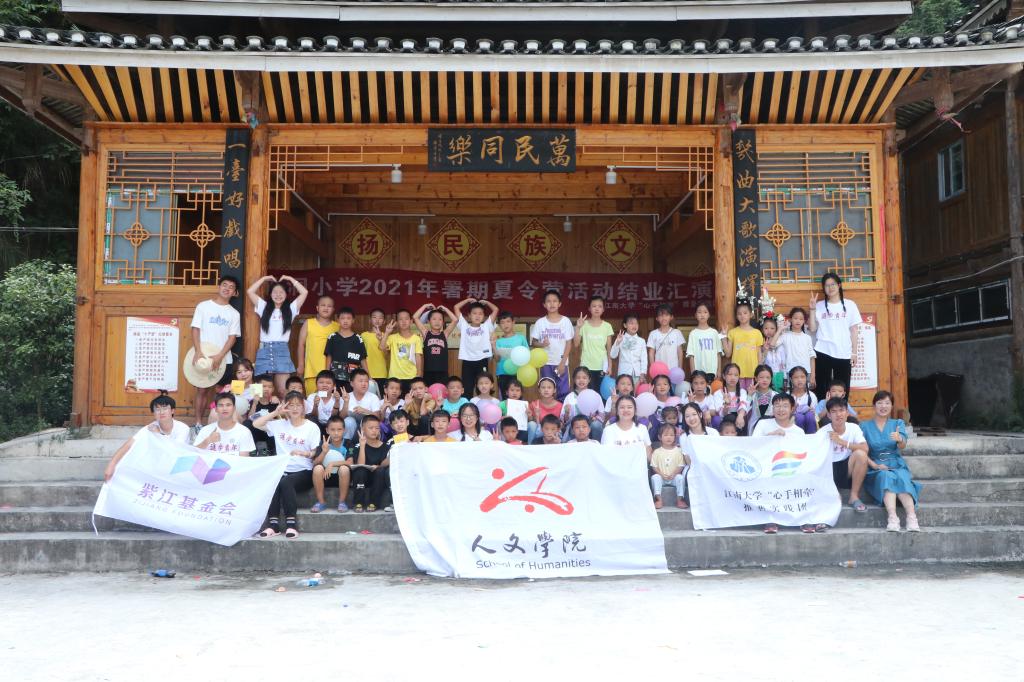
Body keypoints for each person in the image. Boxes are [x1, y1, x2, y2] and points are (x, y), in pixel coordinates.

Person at [253, 390, 322, 537]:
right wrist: (275, 412)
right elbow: (256, 423)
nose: (295, 408)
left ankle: (291, 525)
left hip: (303, 470)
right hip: (282, 469)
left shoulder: (311, 427)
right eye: (291, 405)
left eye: (298, 405)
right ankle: (273, 525)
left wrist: (304, 453)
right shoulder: (279, 425)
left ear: (304, 407)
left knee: (286, 482)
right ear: (286, 407)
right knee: (274, 480)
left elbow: (314, 452)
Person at [750, 393, 811, 534]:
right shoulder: (763, 424)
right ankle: (770, 519)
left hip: (790, 468)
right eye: (777, 405)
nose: (780, 409)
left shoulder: (799, 432)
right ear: (772, 408)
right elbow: (752, 446)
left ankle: (803, 519)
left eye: (785, 406)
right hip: (766, 468)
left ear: (792, 408)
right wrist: (770, 436)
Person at [863, 390, 921, 532]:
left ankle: (912, 517)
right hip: (877, 466)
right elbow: (861, 451)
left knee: (901, 477)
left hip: (896, 464)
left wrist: (899, 438)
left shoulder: (897, 423)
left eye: (887, 403)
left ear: (892, 406)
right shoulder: (864, 426)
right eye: (880, 403)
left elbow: (902, 445)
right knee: (886, 476)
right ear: (874, 405)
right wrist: (875, 465)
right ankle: (893, 517)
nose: (883, 406)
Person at [190, 275, 241, 428]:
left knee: (223, 394)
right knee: (202, 391)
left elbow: (232, 338)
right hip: (204, 357)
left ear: (235, 293)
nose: (227, 288)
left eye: (231, 287)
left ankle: (222, 426)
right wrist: (198, 351)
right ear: (219, 287)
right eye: (224, 285)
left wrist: (220, 356)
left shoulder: (234, 313)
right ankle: (198, 424)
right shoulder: (203, 306)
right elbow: (195, 329)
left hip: (224, 360)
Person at [247, 274, 308, 397]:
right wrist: (264, 279)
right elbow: (250, 291)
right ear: (270, 294)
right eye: (275, 292)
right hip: (264, 350)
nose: (278, 295)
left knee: (283, 391)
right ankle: (256, 409)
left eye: (281, 292)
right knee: (258, 391)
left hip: (282, 351)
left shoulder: (290, 309)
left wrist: (290, 279)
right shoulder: (263, 307)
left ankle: (284, 410)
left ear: (286, 294)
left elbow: (304, 292)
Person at [104, 394, 190, 481]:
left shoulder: (183, 428)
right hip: (158, 467)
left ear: (172, 411)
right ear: (154, 414)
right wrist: (111, 465)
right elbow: (129, 445)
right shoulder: (151, 427)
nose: (161, 412)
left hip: (178, 468)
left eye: (165, 408)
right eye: (157, 409)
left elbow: (175, 451)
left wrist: (159, 434)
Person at [809, 272, 861, 401]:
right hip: (823, 350)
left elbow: (854, 330)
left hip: (844, 352)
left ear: (839, 285)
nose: (830, 288)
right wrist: (812, 310)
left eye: (833, 284)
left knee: (842, 387)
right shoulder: (819, 305)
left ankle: (841, 412)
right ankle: (822, 413)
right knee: (822, 388)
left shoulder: (850, 305)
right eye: (827, 285)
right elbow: (812, 329)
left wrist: (854, 353)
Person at [820, 397, 870, 515]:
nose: (838, 414)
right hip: (829, 471)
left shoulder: (853, 428)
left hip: (846, 467)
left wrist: (842, 442)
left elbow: (865, 448)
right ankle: (833, 492)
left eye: (841, 410)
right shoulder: (823, 432)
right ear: (828, 415)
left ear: (847, 413)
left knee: (861, 455)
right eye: (834, 411)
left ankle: (854, 496)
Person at [531, 289, 574, 400]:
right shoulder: (540, 322)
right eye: (549, 301)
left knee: (563, 392)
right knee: (546, 392)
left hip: (561, 362)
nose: (552, 304)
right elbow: (533, 342)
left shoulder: (565, 321)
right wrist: (542, 344)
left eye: (555, 301)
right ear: (544, 305)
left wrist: (562, 363)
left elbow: (569, 343)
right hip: (545, 363)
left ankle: (562, 412)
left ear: (559, 304)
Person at [454, 297, 499, 392]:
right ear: (469, 315)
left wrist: (487, 302)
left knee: (483, 388)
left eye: (480, 314)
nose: (477, 316)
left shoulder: (486, 326)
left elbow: (495, 309)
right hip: (467, 361)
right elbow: (456, 307)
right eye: (474, 313)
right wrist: (467, 301)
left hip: (482, 360)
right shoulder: (464, 326)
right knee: (467, 388)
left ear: (484, 316)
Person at [296, 295, 338, 395]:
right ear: (317, 308)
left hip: (332, 373)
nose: (326, 308)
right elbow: (301, 344)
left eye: (329, 306)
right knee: (313, 400)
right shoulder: (309, 323)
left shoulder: (337, 326)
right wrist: (301, 365)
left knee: (328, 401)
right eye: (323, 305)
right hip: (312, 371)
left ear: (333, 309)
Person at [348, 415, 391, 513]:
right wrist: (362, 446)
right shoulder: (357, 446)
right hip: (362, 478)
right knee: (360, 470)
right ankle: (358, 502)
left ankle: (373, 503)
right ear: (363, 429)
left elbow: (384, 464)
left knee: (380, 471)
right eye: (371, 428)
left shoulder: (385, 446)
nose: (374, 431)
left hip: (378, 479)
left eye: (377, 428)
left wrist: (378, 466)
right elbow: (360, 464)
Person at [310, 415, 351, 513]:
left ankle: (342, 502)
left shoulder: (348, 443)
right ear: (327, 430)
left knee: (344, 468)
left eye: (339, 429)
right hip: (325, 477)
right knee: (317, 468)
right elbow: (315, 463)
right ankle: (321, 502)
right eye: (332, 430)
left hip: (342, 478)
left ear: (344, 430)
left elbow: (350, 462)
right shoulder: (323, 443)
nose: (336, 433)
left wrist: (332, 464)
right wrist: (324, 452)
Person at [721, 301, 763, 393]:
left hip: (752, 372)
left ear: (751, 314)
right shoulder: (732, 332)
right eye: (739, 314)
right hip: (736, 374)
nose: (742, 316)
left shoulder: (757, 333)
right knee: (739, 396)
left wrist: (759, 371)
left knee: (751, 396)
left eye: (745, 313)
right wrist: (723, 337)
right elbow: (728, 354)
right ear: (736, 316)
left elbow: (759, 353)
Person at [573, 295, 614, 389]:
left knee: (600, 392)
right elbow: (576, 344)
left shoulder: (607, 326)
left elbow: (609, 349)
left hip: (602, 366)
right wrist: (578, 327)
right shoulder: (584, 325)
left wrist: (610, 366)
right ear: (589, 308)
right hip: (586, 365)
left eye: (600, 306)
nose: (597, 308)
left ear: (603, 309)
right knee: (586, 392)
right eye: (594, 306)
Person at [413, 303, 458, 389]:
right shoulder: (426, 333)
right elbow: (415, 317)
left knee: (442, 393)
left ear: (443, 322)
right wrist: (425, 306)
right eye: (434, 319)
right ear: (429, 321)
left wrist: (445, 308)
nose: (437, 321)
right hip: (428, 372)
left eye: (440, 319)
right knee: (428, 393)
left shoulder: (445, 334)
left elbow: (455, 320)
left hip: (443, 372)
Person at [323, 306, 368, 391]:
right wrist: (327, 374)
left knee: (351, 398)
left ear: (353, 320)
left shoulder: (358, 339)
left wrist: (368, 376)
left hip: (353, 378)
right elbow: (329, 356)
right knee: (335, 397)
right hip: (335, 377)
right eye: (342, 318)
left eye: (348, 318)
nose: (345, 321)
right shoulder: (332, 337)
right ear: (338, 320)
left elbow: (363, 359)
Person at [771, 307, 816, 388]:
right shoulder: (785, 336)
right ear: (790, 319)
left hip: (806, 372)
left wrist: (813, 375)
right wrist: (780, 330)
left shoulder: (807, 338)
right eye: (795, 318)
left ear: (804, 321)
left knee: (804, 393)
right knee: (791, 393)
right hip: (790, 371)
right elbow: (772, 344)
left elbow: (812, 357)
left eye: (801, 319)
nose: (798, 321)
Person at [380, 309, 423, 395]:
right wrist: (387, 333)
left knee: (411, 401)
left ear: (411, 321)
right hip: (395, 378)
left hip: (412, 376)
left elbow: (418, 357)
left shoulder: (416, 338)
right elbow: (382, 347)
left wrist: (418, 375)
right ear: (396, 322)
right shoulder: (392, 338)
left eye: (406, 319)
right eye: (400, 319)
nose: (404, 321)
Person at [647, 304, 685, 392]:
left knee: (673, 392)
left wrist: (680, 369)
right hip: (659, 372)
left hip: (674, 371)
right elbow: (651, 353)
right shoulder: (653, 334)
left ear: (671, 317)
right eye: (661, 315)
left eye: (666, 315)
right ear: (657, 318)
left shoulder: (677, 332)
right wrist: (653, 368)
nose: (663, 318)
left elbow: (680, 352)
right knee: (660, 393)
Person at [560, 367, 605, 442]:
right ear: (574, 380)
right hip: (575, 425)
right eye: (578, 378)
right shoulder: (569, 397)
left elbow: (602, 415)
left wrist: (595, 418)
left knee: (596, 425)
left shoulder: (595, 395)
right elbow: (564, 421)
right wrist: (567, 413)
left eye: (584, 378)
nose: (581, 380)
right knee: (573, 428)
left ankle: (597, 446)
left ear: (589, 379)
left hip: (589, 424)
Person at [650, 423, 687, 509]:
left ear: (675, 437)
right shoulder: (657, 452)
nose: (669, 437)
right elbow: (654, 466)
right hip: (662, 477)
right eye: (666, 435)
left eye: (671, 435)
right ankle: (658, 500)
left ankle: (680, 500)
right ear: (660, 437)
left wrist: (674, 474)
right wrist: (661, 474)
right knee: (655, 477)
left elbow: (681, 465)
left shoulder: (678, 451)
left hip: (673, 477)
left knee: (680, 478)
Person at [339, 369, 383, 441]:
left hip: (367, 427)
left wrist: (365, 411)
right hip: (351, 427)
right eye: (360, 381)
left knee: (367, 421)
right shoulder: (346, 396)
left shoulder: (373, 397)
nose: (364, 384)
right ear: (352, 383)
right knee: (349, 421)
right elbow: (341, 418)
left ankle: (367, 444)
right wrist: (346, 402)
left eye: (366, 381)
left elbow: (378, 418)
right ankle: (347, 444)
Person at [493, 311, 529, 399]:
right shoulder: (498, 341)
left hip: (518, 373)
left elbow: (527, 355)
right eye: (502, 322)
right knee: (505, 399)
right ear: (499, 325)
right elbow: (497, 359)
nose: (506, 324)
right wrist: (493, 346)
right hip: (502, 373)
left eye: (508, 321)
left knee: (518, 398)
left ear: (513, 322)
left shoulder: (521, 338)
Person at [244, 373, 279, 455]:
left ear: (273, 389)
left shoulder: (275, 402)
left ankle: (271, 450)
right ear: (258, 388)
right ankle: (252, 449)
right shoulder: (253, 401)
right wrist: (255, 403)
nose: (267, 389)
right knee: (247, 423)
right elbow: (249, 418)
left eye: (270, 387)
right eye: (264, 386)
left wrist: (278, 404)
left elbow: (280, 420)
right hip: (256, 431)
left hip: (268, 431)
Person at [686, 302, 722, 380]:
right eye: (699, 312)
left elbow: (718, 353)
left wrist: (719, 371)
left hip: (713, 371)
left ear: (709, 315)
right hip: (698, 372)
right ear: (695, 315)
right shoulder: (693, 333)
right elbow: (691, 355)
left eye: (705, 312)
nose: (702, 315)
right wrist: (693, 372)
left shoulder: (714, 332)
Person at [610, 313, 648, 385]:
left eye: (636, 323)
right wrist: (617, 342)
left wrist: (643, 373)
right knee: (624, 392)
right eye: (631, 323)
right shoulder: (621, 338)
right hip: (624, 373)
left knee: (636, 392)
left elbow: (644, 359)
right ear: (625, 325)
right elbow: (613, 355)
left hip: (637, 374)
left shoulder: (641, 341)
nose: (634, 326)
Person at [710, 363, 748, 431]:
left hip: (739, 421)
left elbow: (743, 405)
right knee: (719, 419)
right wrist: (727, 404)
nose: (733, 377)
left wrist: (740, 416)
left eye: (736, 375)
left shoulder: (742, 392)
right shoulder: (718, 393)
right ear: (724, 376)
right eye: (730, 374)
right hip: (724, 421)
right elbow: (721, 414)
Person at [527, 376, 563, 444]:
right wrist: (530, 416)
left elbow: (561, 424)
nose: (546, 390)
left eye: (549, 387)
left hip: (553, 432)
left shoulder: (560, 406)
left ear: (554, 390)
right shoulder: (534, 404)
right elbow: (532, 425)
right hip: (540, 431)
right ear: (539, 390)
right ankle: (531, 447)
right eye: (543, 387)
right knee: (531, 424)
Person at [304, 370, 340, 436]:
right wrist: (315, 405)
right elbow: (312, 417)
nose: (324, 385)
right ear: (316, 384)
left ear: (334, 386)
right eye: (321, 382)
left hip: (332, 425)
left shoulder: (337, 397)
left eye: (328, 383)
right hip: (317, 425)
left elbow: (334, 417)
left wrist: (337, 401)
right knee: (310, 419)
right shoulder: (312, 397)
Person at [361, 308, 389, 390]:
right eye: (374, 317)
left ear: (384, 321)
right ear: (370, 320)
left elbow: (387, 356)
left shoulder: (386, 336)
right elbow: (361, 356)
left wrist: (381, 339)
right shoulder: (363, 335)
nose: (377, 320)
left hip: (382, 373)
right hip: (366, 373)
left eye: (380, 318)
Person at [745, 365, 777, 436]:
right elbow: (745, 410)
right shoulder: (752, 394)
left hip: (771, 426)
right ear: (756, 378)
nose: (765, 380)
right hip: (755, 426)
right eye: (761, 377)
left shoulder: (775, 395)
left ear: (771, 379)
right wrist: (749, 395)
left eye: (768, 377)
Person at [789, 366, 818, 434]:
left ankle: (811, 437)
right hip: (791, 426)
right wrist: (792, 411)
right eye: (796, 377)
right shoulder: (787, 396)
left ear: (806, 378)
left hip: (809, 425)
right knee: (799, 417)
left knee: (810, 415)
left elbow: (817, 417)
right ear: (791, 379)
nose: (799, 380)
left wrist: (813, 412)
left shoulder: (811, 396)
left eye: (802, 377)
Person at [760, 317, 786, 392]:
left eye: (772, 328)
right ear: (762, 330)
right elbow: (762, 360)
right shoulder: (761, 342)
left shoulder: (780, 339)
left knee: (779, 393)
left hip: (780, 372)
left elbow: (772, 345)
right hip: (767, 373)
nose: (769, 331)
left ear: (776, 329)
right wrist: (765, 350)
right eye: (766, 328)